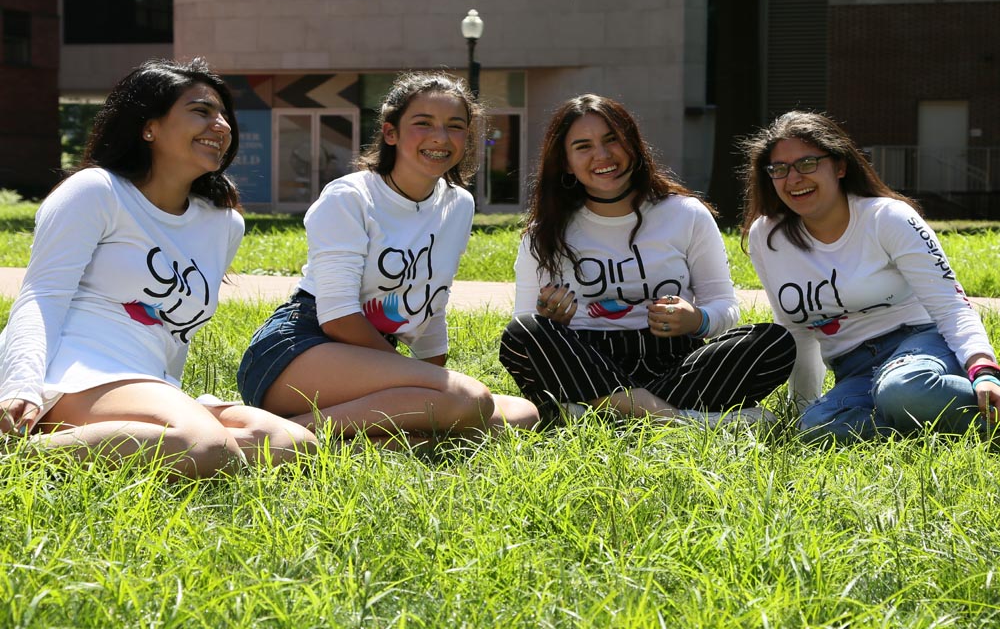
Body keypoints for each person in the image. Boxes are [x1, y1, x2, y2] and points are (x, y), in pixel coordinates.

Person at [0, 59, 316, 476]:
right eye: (201, 111)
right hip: (72, 371)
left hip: (146, 381)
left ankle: (171, 437)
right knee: (206, 447)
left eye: (224, 115)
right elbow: (42, 295)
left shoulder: (223, 223)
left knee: (292, 444)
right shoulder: (97, 191)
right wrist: (20, 385)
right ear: (149, 127)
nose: (222, 126)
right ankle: (15, 455)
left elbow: (175, 332)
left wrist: (176, 398)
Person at [237, 72, 538, 441]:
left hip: (371, 362)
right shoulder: (351, 196)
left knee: (521, 413)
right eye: (423, 123)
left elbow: (432, 302)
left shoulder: (458, 204)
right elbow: (338, 316)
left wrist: (430, 377)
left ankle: (368, 440)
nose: (440, 137)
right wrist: (423, 382)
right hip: (299, 351)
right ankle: (280, 436)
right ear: (391, 133)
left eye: (455, 126)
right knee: (469, 399)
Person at [498, 95, 796, 423]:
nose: (602, 155)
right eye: (583, 146)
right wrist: (550, 319)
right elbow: (525, 321)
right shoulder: (543, 233)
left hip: (675, 365)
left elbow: (725, 306)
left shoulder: (685, 214)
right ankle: (685, 422)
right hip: (586, 364)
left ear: (633, 144)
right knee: (523, 332)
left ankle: (600, 414)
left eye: (612, 139)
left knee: (774, 342)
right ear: (566, 162)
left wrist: (697, 320)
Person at [741, 110, 1000, 444]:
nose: (793, 179)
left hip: (919, 344)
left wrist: (983, 368)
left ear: (840, 166)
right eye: (779, 168)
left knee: (903, 388)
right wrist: (803, 407)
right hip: (854, 368)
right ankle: (932, 427)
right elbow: (797, 330)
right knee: (817, 427)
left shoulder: (886, 218)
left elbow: (950, 303)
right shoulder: (767, 236)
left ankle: (940, 408)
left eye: (807, 163)